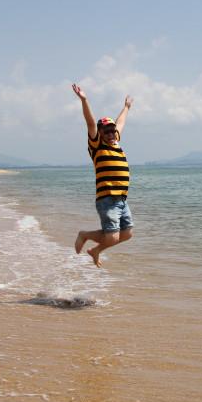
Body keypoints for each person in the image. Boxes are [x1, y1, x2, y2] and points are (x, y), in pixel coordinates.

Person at [72, 83, 134, 268]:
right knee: (112, 237)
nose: (111, 133)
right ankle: (84, 235)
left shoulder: (116, 140)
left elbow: (120, 122)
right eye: (106, 131)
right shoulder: (97, 145)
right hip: (107, 199)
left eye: (112, 130)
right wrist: (84, 100)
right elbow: (90, 123)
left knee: (127, 234)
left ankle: (96, 250)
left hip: (121, 199)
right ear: (100, 133)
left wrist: (126, 107)